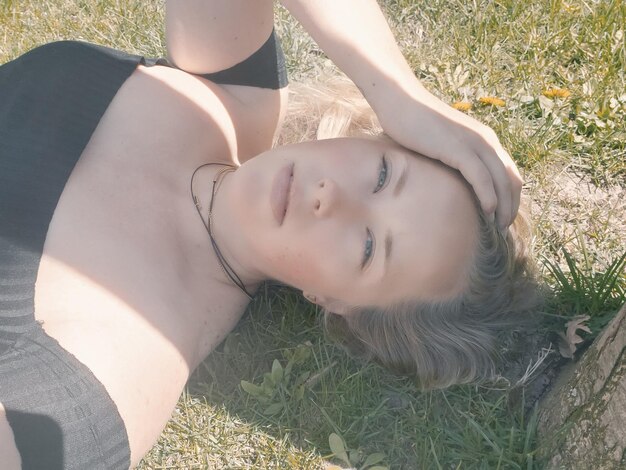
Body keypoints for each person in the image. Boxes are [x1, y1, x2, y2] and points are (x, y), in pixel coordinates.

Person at [0, 0, 538, 468]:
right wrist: (402, 94)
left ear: (337, 303)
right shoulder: (237, 99)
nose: (332, 197)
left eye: (369, 247)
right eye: (381, 174)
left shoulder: (111, 371)